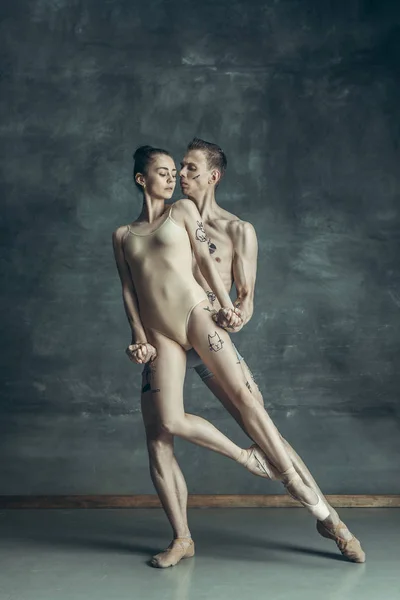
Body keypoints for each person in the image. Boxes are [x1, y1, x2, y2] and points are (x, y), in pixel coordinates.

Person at [112, 144, 365, 569]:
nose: (180, 175)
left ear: (213, 175)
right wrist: (140, 334)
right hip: (165, 336)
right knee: (159, 435)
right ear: (146, 178)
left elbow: (244, 301)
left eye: (188, 168)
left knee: (259, 422)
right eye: (174, 169)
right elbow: (132, 284)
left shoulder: (235, 229)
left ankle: (330, 520)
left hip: (203, 326)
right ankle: (182, 538)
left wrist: (231, 310)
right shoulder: (152, 223)